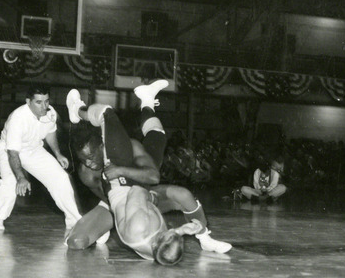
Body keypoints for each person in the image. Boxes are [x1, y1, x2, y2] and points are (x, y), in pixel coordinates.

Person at [65, 86, 231, 256]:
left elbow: (153, 177)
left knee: (161, 147)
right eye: (83, 159)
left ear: (103, 145)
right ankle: (147, 101)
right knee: (77, 241)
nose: (89, 163)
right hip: (116, 202)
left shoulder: (131, 148)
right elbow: (103, 196)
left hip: (141, 188)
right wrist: (117, 217)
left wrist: (123, 172)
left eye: (92, 156)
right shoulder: (86, 172)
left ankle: (204, 238)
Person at [0, 83, 81, 233]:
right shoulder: (18, 119)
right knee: (10, 181)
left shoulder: (51, 112)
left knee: (61, 177)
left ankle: (74, 220)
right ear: (28, 102)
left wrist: (57, 154)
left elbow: (50, 132)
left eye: (46, 101)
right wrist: (21, 177)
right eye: (38, 102)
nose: (43, 106)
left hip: (34, 149)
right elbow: (13, 153)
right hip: (8, 149)